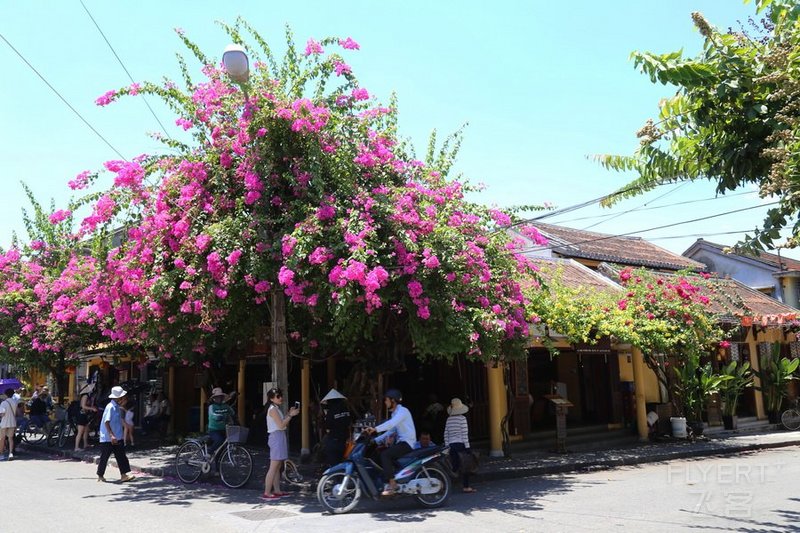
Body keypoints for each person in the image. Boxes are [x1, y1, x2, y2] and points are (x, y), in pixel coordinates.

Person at [366, 388, 417, 496]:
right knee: (381, 453)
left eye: (386, 400)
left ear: (393, 401)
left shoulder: (402, 411)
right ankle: (393, 478)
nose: (385, 402)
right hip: (401, 443)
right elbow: (391, 430)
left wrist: (375, 429)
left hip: (407, 443)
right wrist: (375, 440)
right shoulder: (395, 414)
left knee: (385, 455)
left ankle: (392, 484)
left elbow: (391, 424)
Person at [262, 387, 299, 500]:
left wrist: (289, 414)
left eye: (280, 395)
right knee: (273, 466)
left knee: (277, 466)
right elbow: (281, 425)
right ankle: (267, 492)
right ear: (271, 398)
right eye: (278, 396)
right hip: (276, 436)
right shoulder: (273, 409)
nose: (280, 398)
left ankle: (276, 490)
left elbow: (282, 423)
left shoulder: (275, 408)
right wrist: (290, 415)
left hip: (279, 436)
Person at [96, 386, 135, 483]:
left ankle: (124, 474)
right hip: (108, 438)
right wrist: (111, 435)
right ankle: (100, 475)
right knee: (104, 457)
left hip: (117, 436)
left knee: (121, 456)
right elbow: (106, 422)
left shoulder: (117, 407)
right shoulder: (110, 407)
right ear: (118, 398)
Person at [444, 397, 475, 493]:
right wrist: (468, 447)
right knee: (465, 466)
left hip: (452, 445)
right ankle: (466, 486)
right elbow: (464, 434)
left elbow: (446, 434)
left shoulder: (449, 420)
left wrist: (447, 446)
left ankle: (446, 485)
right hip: (461, 444)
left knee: (454, 466)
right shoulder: (463, 419)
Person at [320, 388, 351, 466]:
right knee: (341, 461)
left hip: (333, 440)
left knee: (333, 463)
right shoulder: (346, 410)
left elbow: (327, 427)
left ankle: (335, 477)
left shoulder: (331, 412)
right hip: (344, 440)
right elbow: (349, 422)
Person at [207, 387, 234, 453]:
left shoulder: (226, 406)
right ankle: (209, 451)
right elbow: (213, 415)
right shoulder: (211, 407)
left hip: (224, 429)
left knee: (221, 448)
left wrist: (230, 416)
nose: (218, 398)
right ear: (213, 398)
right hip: (213, 430)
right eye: (216, 397)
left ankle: (218, 463)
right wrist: (221, 416)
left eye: (220, 397)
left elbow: (232, 412)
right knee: (219, 441)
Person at [74, 383, 98, 452]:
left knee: (86, 430)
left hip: (85, 415)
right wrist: (92, 408)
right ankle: (76, 447)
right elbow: (83, 406)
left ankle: (85, 444)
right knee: (80, 432)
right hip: (81, 415)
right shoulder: (85, 396)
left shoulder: (88, 396)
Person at [0, 388, 18, 461]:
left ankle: (1, 453)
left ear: (6, 394)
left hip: (4, 423)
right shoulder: (15, 402)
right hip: (12, 422)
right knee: (10, 438)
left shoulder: (3, 403)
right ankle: (11, 453)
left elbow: (2, 414)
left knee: (2, 438)